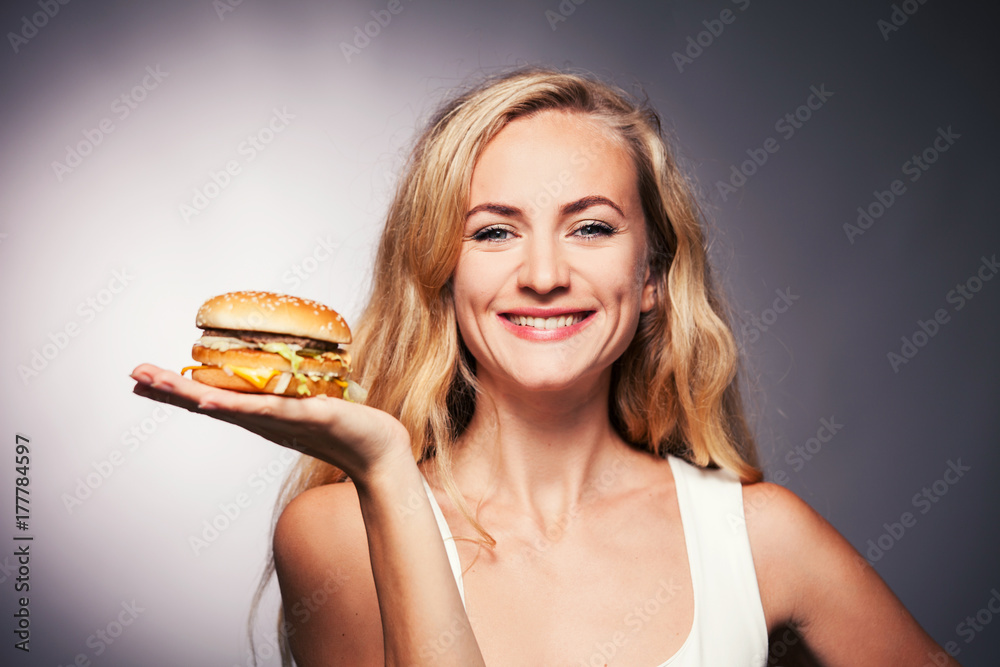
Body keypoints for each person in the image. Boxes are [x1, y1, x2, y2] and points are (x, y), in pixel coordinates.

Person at [131, 68, 958, 666]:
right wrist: (386, 470)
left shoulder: (760, 535)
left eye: (591, 228)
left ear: (653, 282)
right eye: (494, 231)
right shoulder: (338, 532)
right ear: (443, 278)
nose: (544, 274)